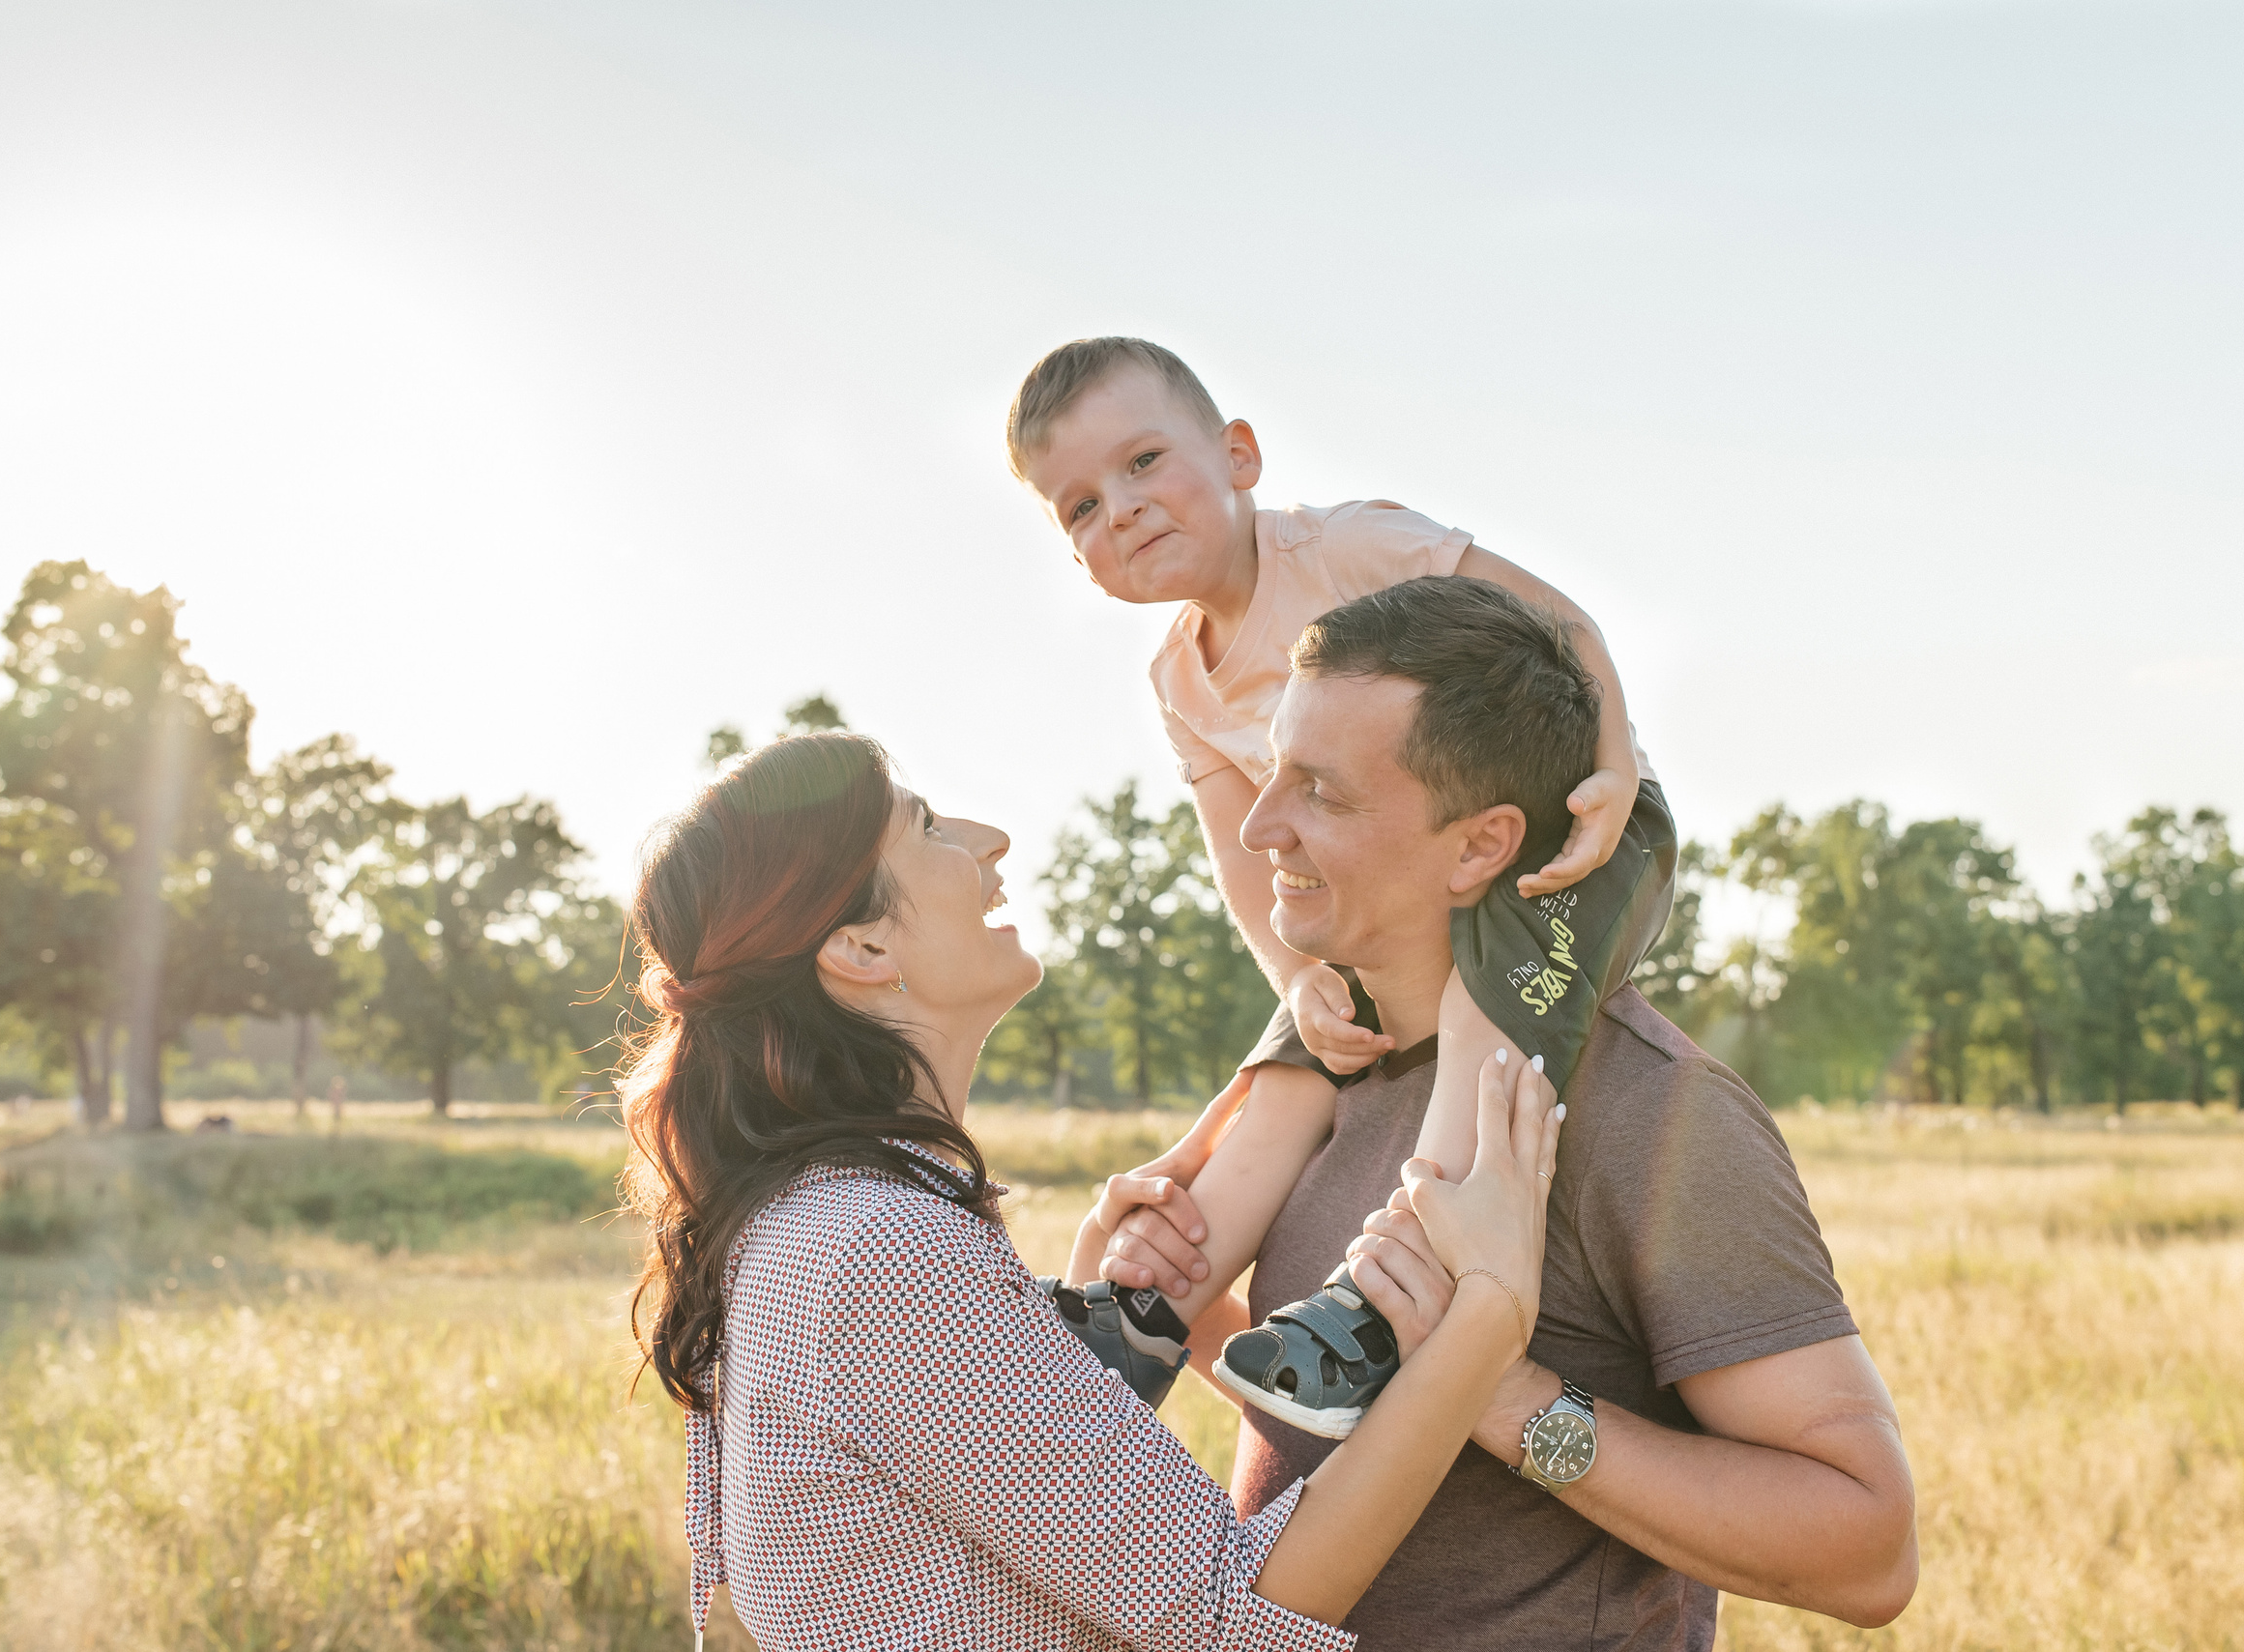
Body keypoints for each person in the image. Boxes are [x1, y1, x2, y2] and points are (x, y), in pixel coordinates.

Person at [1093, 578, 1920, 1647]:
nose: (1258, 826)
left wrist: (1496, 1389)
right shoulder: (1329, 1076)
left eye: (1320, 792)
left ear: (1481, 845)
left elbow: (1867, 1545)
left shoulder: (1651, 1111)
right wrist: (1201, 1319)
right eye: (1271, 771)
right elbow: (1339, 1425)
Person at [618, 732, 1564, 1651]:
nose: (990, 839)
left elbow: (980, 1533)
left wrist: (1070, 1328)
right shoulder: (879, 1252)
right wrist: (1486, 1316)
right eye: (928, 828)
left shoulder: (809, 1225)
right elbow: (1228, 1616)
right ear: (862, 947)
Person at [1008, 336, 1676, 1434]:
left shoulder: (1348, 549)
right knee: (1294, 1063)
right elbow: (1243, 848)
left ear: (1238, 455)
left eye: (1142, 461)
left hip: (1572, 830)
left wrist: (1609, 770)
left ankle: (1382, 1300)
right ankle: (1141, 1314)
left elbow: (1566, 624)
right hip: (1393, 884)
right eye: (1078, 505)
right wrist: (1297, 977)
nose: (1118, 509)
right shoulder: (1177, 677)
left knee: (1486, 1004)